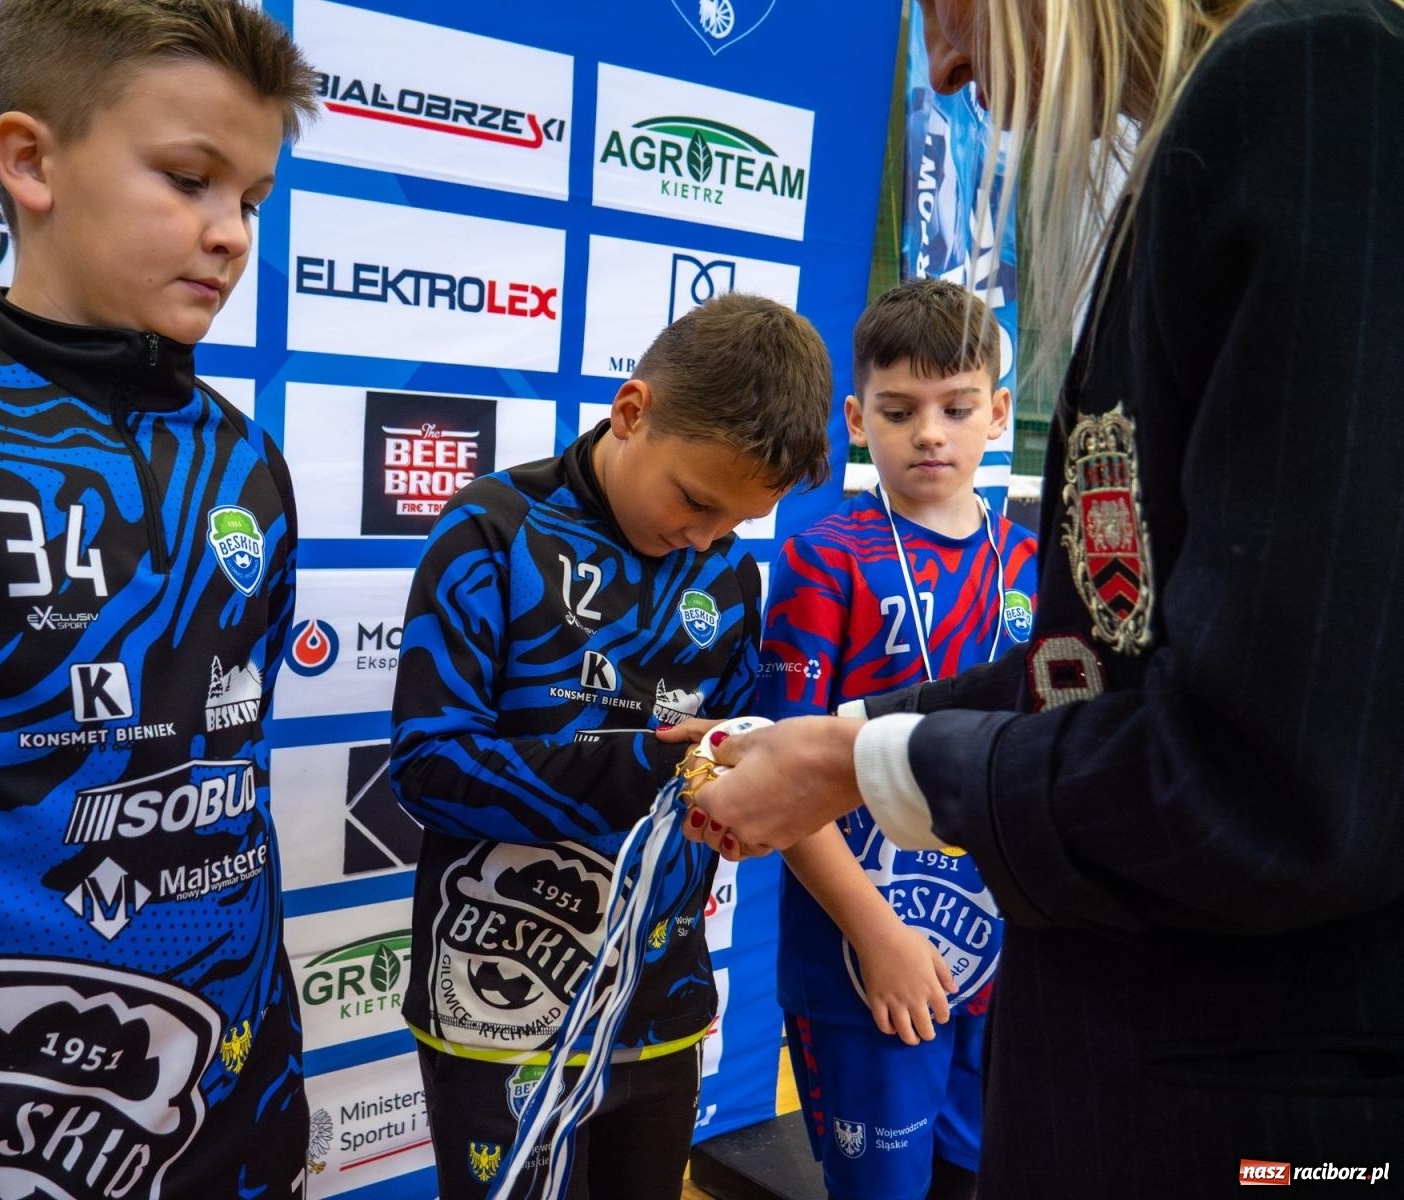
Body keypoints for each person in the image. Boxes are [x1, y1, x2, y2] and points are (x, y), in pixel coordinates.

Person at [671, 0, 1404, 1192]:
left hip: (1234, 1100)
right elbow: (1100, 666)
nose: (944, 60)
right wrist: (838, 740)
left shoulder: (1309, 86)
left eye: (944, 5)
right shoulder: (1199, 152)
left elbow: (1268, 774)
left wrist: (856, 762)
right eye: (899, 411)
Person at [0, 2, 318, 1195]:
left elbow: (225, 774)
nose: (229, 233)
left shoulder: (249, 462)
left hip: (235, 1112)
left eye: (251, 199)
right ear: (30, 160)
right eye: (188, 179)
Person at [389, 292, 833, 1200]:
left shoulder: (728, 572)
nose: (702, 537)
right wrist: (658, 766)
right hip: (500, 1002)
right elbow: (430, 770)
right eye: (695, 501)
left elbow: (726, 761)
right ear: (632, 411)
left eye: (734, 523)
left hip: (664, 1003)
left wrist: (741, 798)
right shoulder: (492, 528)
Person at [757, 279, 1035, 1200]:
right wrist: (878, 937)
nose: (930, 434)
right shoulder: (824, 560)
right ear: (855, 418)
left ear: (999, 412)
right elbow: (785, 779)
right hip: (864, 957)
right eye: (899, 410)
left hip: (1000, 951)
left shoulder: (1031, 564)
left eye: (958, 408)